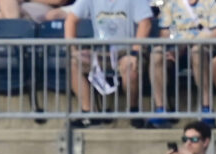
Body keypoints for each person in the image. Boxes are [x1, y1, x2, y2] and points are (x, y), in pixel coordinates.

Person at [149, 0, 216, 129]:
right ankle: (161, 110)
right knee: (157, 54)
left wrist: (189, 43)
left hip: (206, 47)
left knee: (197, 51)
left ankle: (207, 109)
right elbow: (165, 32)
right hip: (176, 47)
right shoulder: (170, 3)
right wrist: (176, 43)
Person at [65, 0, 152, 128]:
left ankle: (133, 111)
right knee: (74, 63)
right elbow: (70, 20)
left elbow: (146, 23)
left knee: (130, 68)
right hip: (101, 51)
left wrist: (134, 53)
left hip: (127, 50)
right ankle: (88, 114)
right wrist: (73, 50)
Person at [0, 0, 69, 23]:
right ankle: (15, 31)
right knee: (0, 15)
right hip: (25, 7)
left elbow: (59, 1)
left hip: (51, 9)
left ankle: (15, 34)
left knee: (0, 16)